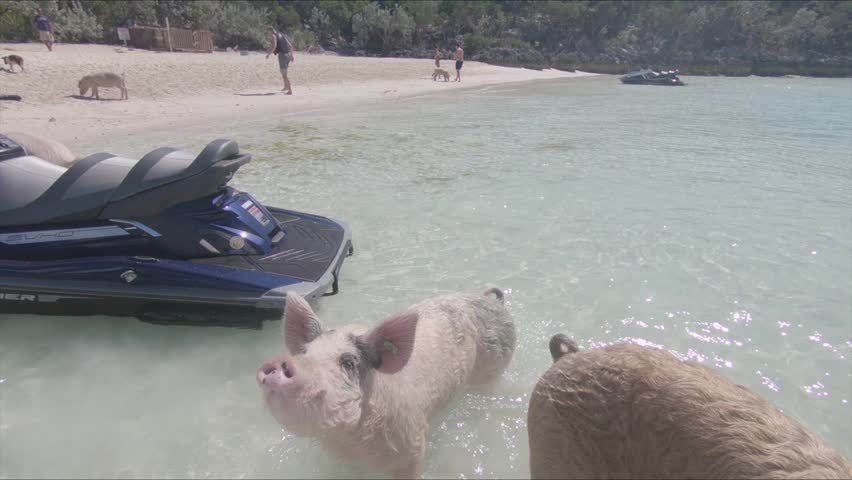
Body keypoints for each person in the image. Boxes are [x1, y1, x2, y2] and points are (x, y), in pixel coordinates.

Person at [266, 26, 295, 95]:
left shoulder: (273, 36)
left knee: (284, 74)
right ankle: (285, 87)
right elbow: (290, 46)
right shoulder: (282, 34)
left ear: (270, 31)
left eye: (268, 32)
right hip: (287, 54)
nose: (268, 34)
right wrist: (291, 55)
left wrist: (268, 54)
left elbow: (274, 46)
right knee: (284, 72)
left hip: (282, 55)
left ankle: (290, 90)